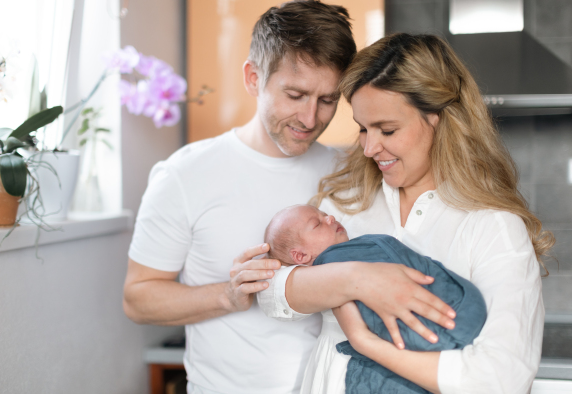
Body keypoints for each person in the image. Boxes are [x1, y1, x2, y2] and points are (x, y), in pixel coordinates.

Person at [123, 2, 455, 393]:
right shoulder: (184, 174)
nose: (310, 118)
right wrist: (228, 296)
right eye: (295, 94)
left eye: (328, 100)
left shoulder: (355, 168)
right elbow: (138, 299)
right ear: (252, 77)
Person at [258, 33, 554, 394]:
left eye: (387, 129)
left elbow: (501, 379)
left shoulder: (492, 226)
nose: (368, 147)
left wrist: (368, 345)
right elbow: (270, 292)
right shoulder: (344, 203)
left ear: (439, 119)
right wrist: (356, 278)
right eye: (363, 128)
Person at [262, 204, 486, 393]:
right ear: (300, 256)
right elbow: (269, 287)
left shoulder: (353, 250)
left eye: (324, 214)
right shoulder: (333, 259)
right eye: (318, 223)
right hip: (432, 341)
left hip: (439, 346)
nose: (329, 217)